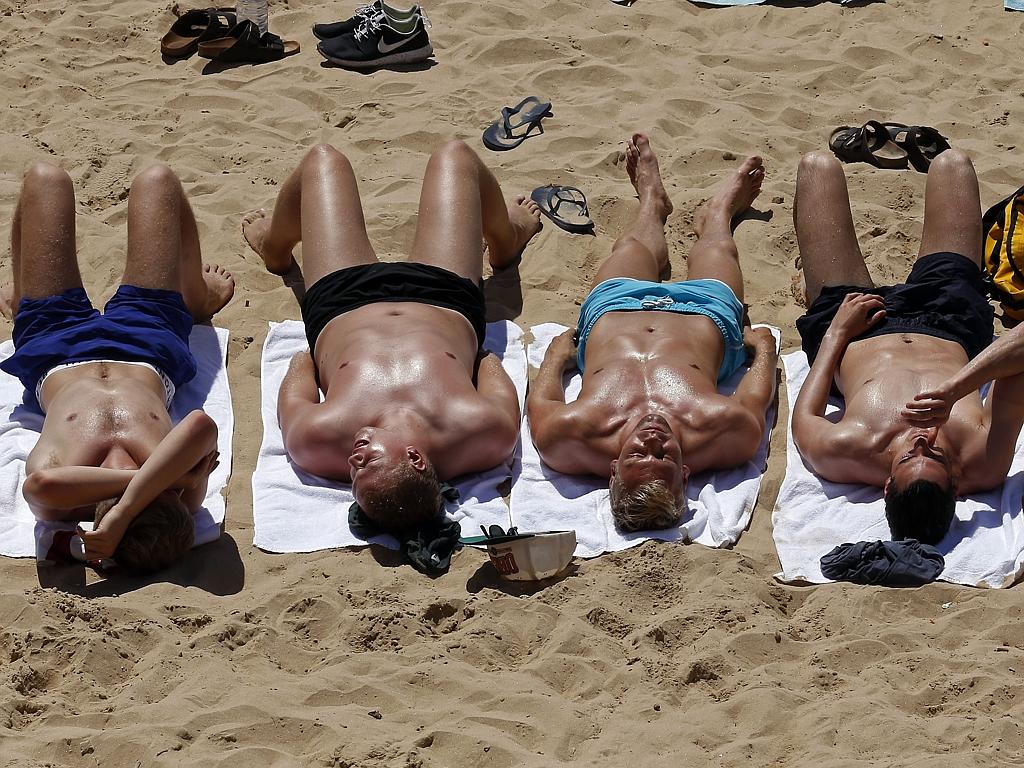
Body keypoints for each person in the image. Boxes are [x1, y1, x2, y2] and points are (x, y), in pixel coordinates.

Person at [241, 141, 542, 533]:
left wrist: (340, 360)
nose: (353, 460)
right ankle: (507, 239)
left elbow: (300, 364)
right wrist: (451, 356)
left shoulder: (316, 441)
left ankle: (275, 247)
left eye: (352, 476)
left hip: (341, 300)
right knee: (454, 155)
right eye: (368, 463)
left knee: (323, 159)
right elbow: (490, 363)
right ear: (417, 459)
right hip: (443, 296)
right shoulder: (485, 431)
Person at [526, 134, 778, 532]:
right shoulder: (722, 431)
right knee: (718, 249)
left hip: (616, 308)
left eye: (636, 457)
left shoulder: (568, 438)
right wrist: (763, 350)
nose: (652, 441)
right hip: (705, 312)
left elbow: (541, 402)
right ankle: (719, 212)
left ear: (613, 469)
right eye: (664, 458)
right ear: (686, 472)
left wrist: (555, 361)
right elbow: (755, 397)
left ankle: (652, 202)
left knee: (633, 243)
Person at [1, 161, 235, 571]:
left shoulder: (71, 494)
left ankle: (22, 295)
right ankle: (196, 297)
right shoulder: (182, 493)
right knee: (158, 178)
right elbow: (201, 425)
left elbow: (38, 486)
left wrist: (131, 503)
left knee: (44, 178)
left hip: (54, 348)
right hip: (150, 346)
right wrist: (169, 482)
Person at [792, 148, 1024, 545]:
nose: (920, 443)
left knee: (817, 167)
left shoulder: (846, 451)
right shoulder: (985, 462)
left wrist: (835, 332)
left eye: (907, 458)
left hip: (855, 330)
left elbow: (806, 414)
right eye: (935, 458)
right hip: (948, 320)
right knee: (953, 164)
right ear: (956, 484)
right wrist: (955, 389)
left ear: (886, 485)